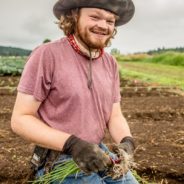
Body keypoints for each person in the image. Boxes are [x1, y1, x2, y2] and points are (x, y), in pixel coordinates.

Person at [11, 0, 138, 183]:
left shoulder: (110, 63)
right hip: (59, 157)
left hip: (96, 150)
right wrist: (72, 144)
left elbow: (114, 115)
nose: (103, 26)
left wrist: (127, 140)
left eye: (110, 21)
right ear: (74, 17)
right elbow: (20, 119)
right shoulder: (47, 55)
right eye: (95, 17)